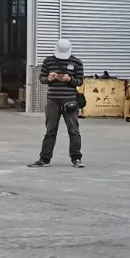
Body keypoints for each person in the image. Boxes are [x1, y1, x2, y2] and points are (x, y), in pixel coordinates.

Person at [30, 38, 85, 168]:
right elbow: (42, 78)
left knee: (73, 130)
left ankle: (76, 158)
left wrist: (70, 79)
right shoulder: (48, 61)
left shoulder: (77, 62)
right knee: (50, 130)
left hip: (70, 100)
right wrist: (49, 78)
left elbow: (80, 81)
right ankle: (44, 159)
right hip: (52, 100)